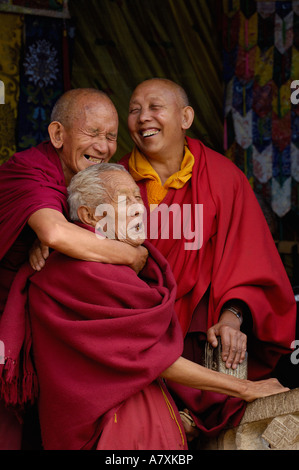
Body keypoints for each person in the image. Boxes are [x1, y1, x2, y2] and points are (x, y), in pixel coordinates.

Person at [0, 163, 288, 450]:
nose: (140, 209)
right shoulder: (79, 272)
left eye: (139, 199)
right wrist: (245, 388)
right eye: (125, 200)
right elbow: (153, 357)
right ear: (89, 215)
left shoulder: (123, 268)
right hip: (111, 431)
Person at [120, 78, 297, 442]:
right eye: (135, 109)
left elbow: (250, 259)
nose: (143, 118)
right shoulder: (113, 183)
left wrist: (232, 317)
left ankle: (193, 412)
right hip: (135, 327)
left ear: (186, 117)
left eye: (155, 107)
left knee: (221, 336)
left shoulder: (222, 178)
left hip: (198, 334)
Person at [0, 88, 147, 449]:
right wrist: (130, 255)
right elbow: (54, 230)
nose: (104, 146)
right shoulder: (27, 170)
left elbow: (68, 231)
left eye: (112, 136)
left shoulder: (96, 179)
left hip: (56, 337)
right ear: (57, 135)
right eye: (92, 133)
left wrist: (63, 237)